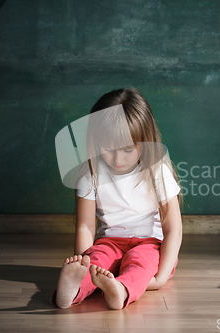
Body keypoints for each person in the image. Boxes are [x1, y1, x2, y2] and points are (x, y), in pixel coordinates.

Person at [51, 88, 182, 310]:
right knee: (97, 261)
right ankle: (71, 293)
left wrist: (160, 277)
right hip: (109, 242)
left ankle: (120, 290)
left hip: (149, 243)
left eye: (128, 149)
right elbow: (85, 227)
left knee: (141, 264)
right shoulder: (89, 171)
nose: (118, 159)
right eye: (109, 149)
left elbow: (173, 230)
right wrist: (83, 263)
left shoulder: (157, 170)